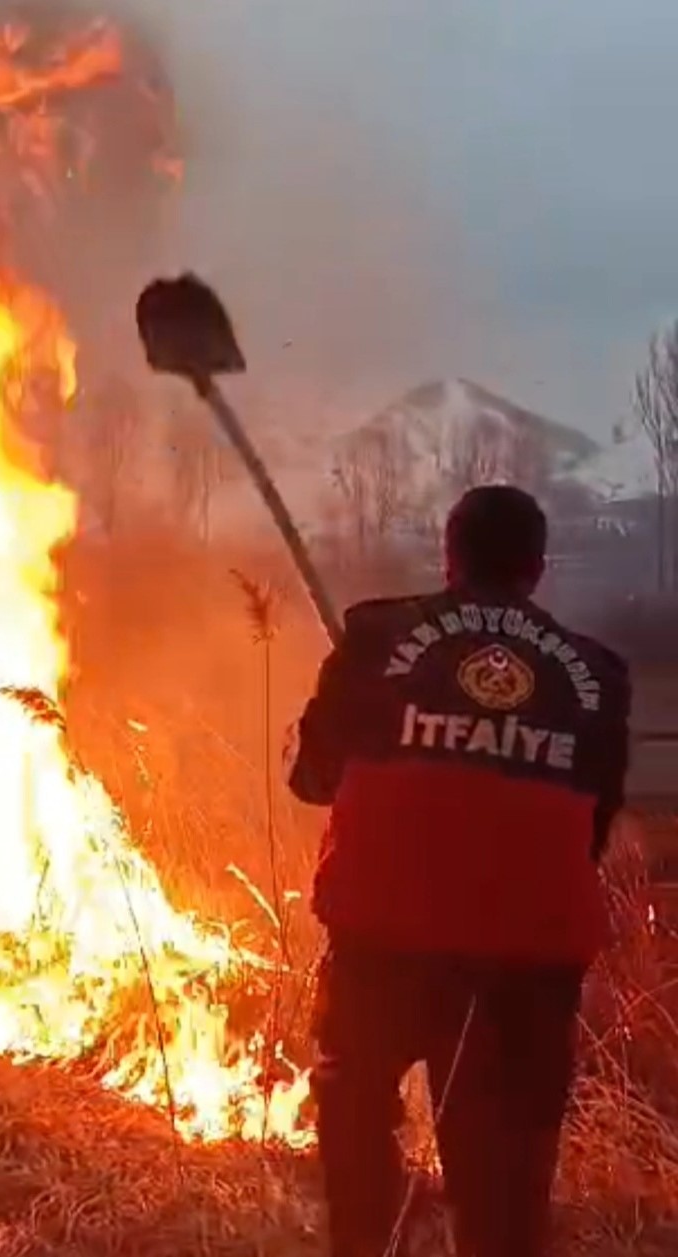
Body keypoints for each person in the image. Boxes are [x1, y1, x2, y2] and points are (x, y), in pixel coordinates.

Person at [288, 485, 631, 1257]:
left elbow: (311, 780)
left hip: (384, 944)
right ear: (537, 569)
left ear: (450, 557)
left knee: (356, 1117)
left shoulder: (375, 636)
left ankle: (372, 1238)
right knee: (506, 1187)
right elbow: (592, 829)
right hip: (530, 961)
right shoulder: (600, 675)